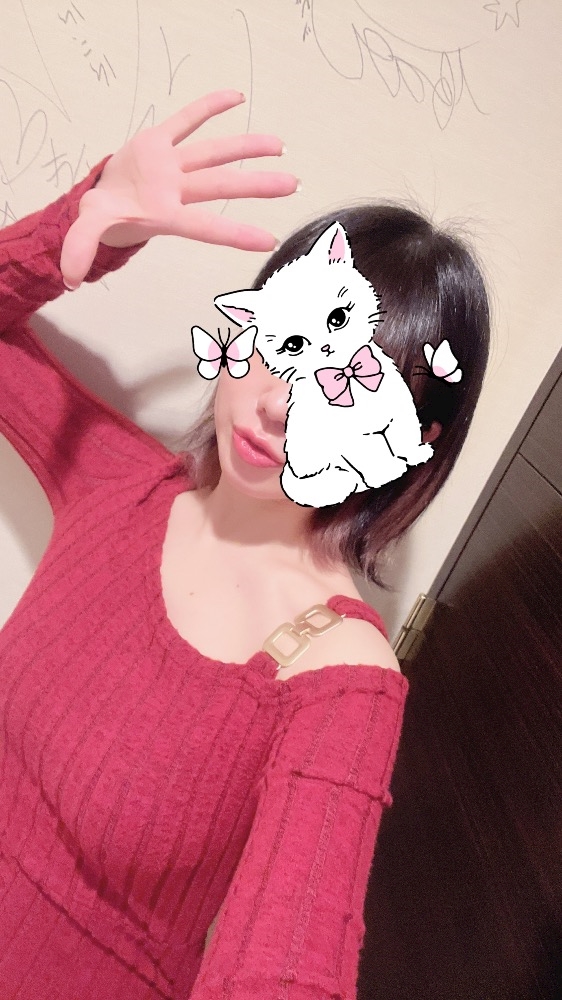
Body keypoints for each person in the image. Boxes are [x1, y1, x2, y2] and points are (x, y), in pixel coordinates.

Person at [0, 90, 490, 999]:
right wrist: (90, 222)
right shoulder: (122, 485)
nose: (279, 405)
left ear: (412, 440)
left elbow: (289, 962)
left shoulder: (339, 683)